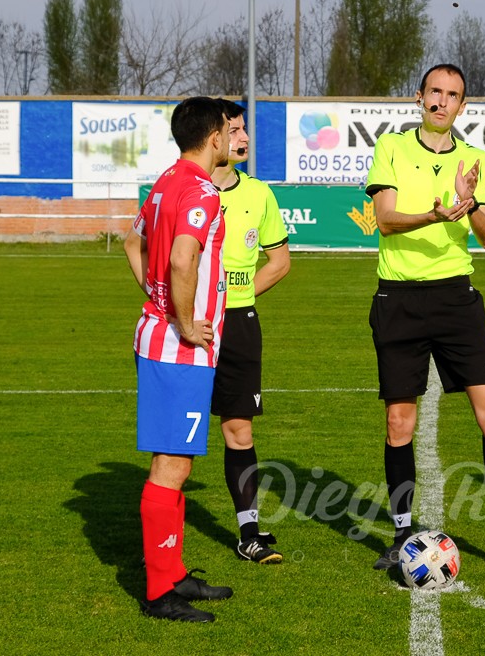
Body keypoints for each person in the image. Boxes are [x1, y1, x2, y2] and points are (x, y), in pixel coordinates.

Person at [364, 63, 485, 578]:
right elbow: (386, 219)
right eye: (435, 92)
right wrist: (433, 216)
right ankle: (401, 535)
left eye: (453, 95)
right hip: (397, 297)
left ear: (463, 106)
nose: (442, 102)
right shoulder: (392, 148)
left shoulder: (474, 158)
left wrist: (468, 208)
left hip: (456, 300)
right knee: (400, 421)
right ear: (419, 97)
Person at [124, 96, 233, 623]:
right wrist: (184, 322)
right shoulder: (201, 191)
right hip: (179, 350)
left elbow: (131, 243)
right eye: (228, 131)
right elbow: (182, 256)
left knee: (179, 462)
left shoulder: (166, 181)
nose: (233, 139)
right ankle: (158, 591)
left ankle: (173, 572)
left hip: (164, 341)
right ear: (213, 137)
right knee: (171, 465)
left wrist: (157, 298)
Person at [210, 99, 292, 564]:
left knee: (239, 430)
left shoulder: (259, 194)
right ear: (211, 137)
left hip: (238, 325)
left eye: (245, 129)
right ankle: (161, 539)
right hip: (188, 329)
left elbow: (279, 262)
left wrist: (236, 294)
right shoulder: (184, 188)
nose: (243, 138)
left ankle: (249, 533)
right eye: (233, 130)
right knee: (178, 439)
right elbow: (138, 245)